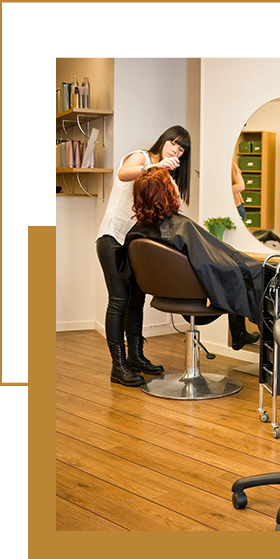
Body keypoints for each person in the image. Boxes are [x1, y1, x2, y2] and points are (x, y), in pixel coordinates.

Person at [119, 168, 262, 350]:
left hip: (167, 293)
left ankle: (239, 333)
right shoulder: (180, 226)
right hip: (194, 295)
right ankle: (272, 352)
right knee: (257, 273)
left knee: (242, 271)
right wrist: (247, 266)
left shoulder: (137, 233)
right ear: (168, 192)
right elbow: (209, 263)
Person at [96, 125, 192, 387]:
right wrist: (157, 166)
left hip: (137, 244)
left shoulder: (165, 173)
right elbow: (123, 173)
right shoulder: (142, 158)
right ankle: (118, 366)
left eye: (182, 149)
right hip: (113, 239)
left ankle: (135, 357)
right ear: (164, 140)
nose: (176, 150)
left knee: (136, 301)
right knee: (119, 301)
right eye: (174, 143)